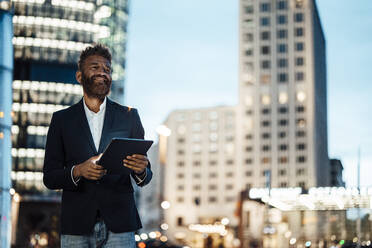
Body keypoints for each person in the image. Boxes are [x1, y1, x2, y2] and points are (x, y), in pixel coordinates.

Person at [43, 44, 152, 248]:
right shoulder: (61, 120)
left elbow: (146, 176)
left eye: (107, 69)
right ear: (79, 76)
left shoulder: (129, 117)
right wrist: (78, 171)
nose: (103, 72)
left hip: (120, 223)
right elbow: (49, 176)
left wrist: (141, 170)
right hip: (76, 224)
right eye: (95, 67)